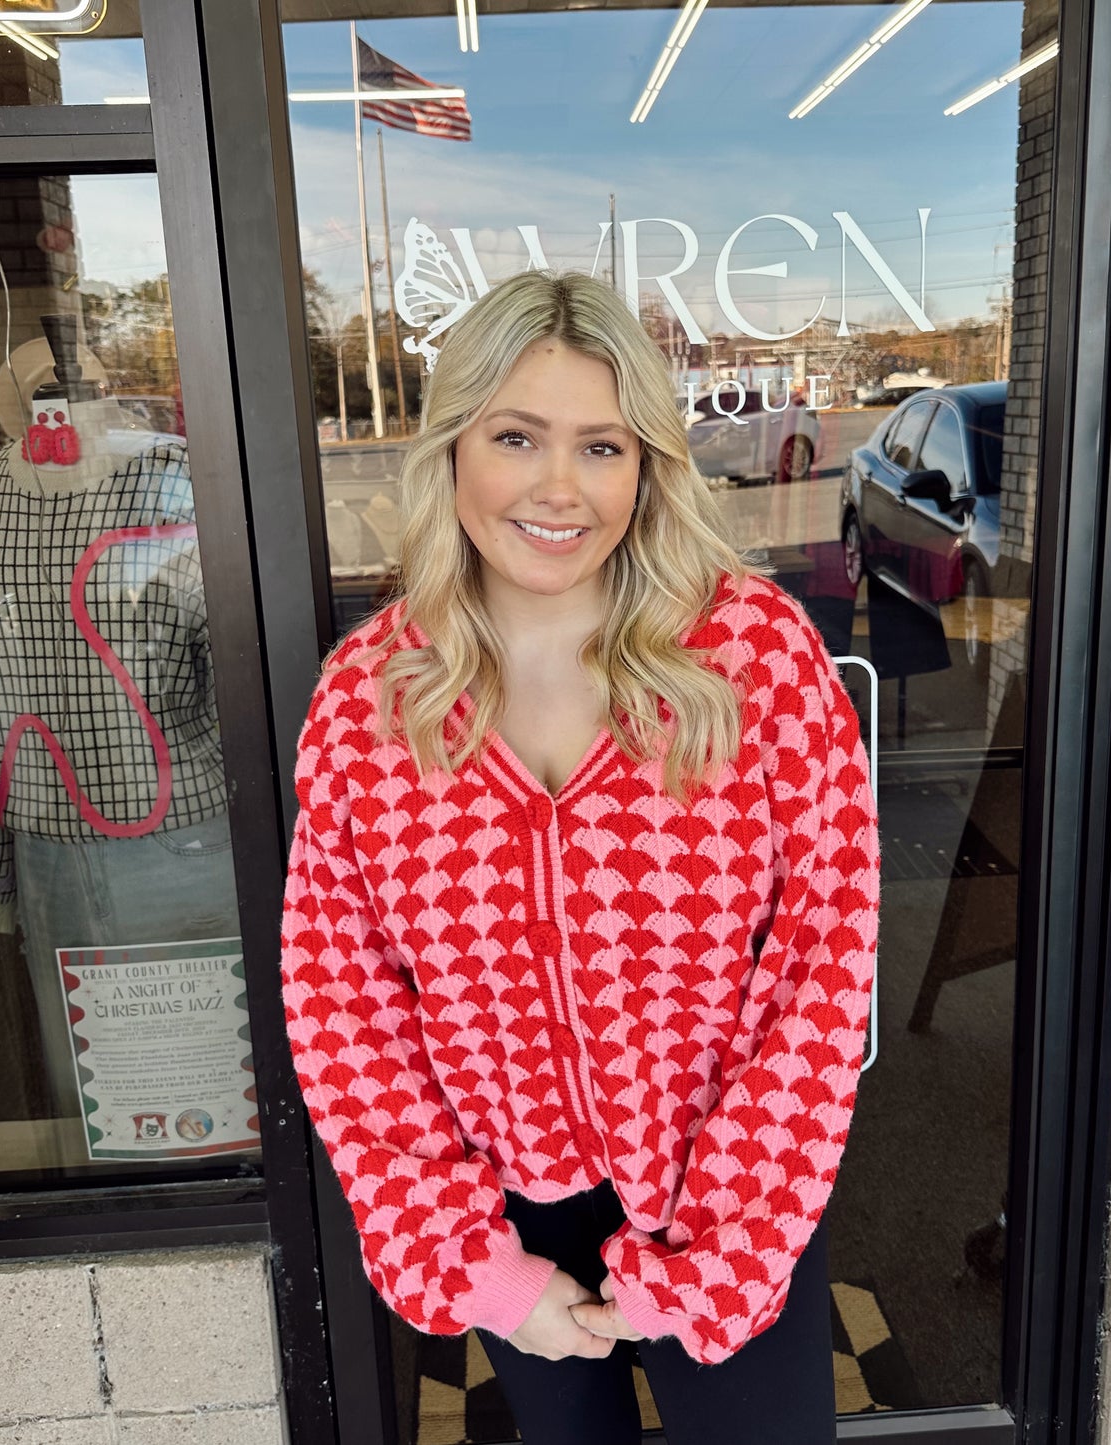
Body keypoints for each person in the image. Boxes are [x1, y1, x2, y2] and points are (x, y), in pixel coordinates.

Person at [280, 269, 880, 1444]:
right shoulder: (368, 699)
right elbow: (340, 999)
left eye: (602, 446)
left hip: (730, 1200)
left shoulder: (752, 659)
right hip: (501, 1216)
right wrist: (479, 1270)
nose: (560, 489)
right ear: (453, 448)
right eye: (516, 437)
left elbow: (820, 961)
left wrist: (716, 1252)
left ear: (647, 463)